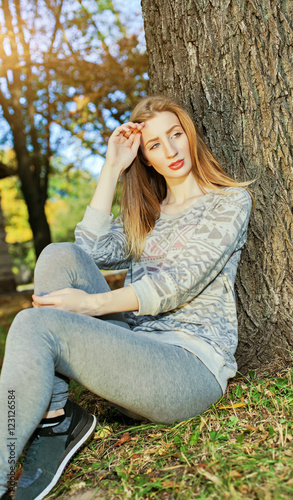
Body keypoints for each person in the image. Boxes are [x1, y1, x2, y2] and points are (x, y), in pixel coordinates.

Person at [0, 95, 252, 500]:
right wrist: (112, 166)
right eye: (154, 145)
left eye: (175, 135)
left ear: (189, 135)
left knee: (33, 323)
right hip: (135, 349)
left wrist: (93, 304)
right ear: (146, 158)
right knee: (57, 254)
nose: (169, 150)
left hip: (189, 366)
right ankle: (55, 419)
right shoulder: (148, 213)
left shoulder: (229, 201)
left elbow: (179, 283)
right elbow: (90, 249)